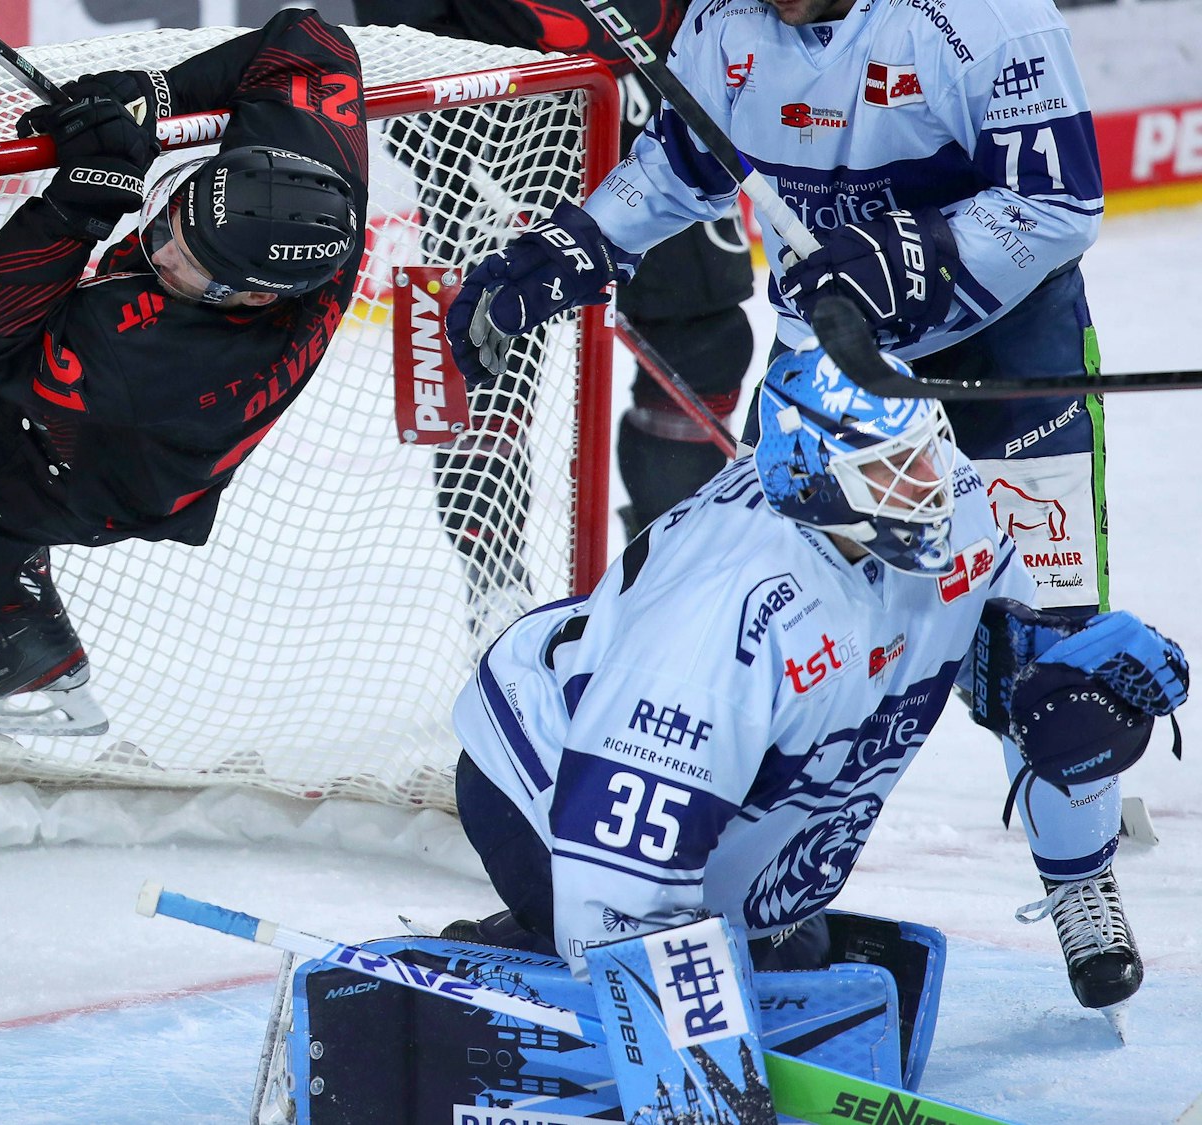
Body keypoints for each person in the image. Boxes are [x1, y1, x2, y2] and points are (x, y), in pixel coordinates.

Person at [444, 0, 1143, 1008]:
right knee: (787, 621)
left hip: (1002, 349)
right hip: (833, 351)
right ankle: (752, 856)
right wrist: (573, 244)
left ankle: (1079, 880)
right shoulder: (723, 20)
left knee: (1048, 648)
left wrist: (921, 253)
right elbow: (684, 161)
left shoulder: (987, 19)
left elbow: (1056, 205)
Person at [446, 349, 1187, 1019]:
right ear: (810, 477)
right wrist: (698, 1062)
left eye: (926, 452)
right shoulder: (726, 616)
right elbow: (619, 888)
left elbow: (1006, 659)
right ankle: (516, 964)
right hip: (550, 790)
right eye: (893, 471)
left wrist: (1060, 673)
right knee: (678, 974)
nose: (930, 489)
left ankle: (566, 944)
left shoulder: (944, 500)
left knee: (784, 957)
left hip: (700, 789)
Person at [0, 9, 366, 741]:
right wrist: (153, 97)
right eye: (174, 215)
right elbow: (311, 42)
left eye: (186, 259)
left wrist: (88, 196)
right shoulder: (312, 197)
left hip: (85, 470)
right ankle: (30, 637)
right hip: (120, 437)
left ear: (257, 295)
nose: (161, 243)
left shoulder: (138, 360)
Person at [356, 0, 756, 551]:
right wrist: (426, 94)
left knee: (707, 344)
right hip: (492, 104)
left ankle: (667, 568)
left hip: (656, 88)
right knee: (473, 359)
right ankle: (493, 584)